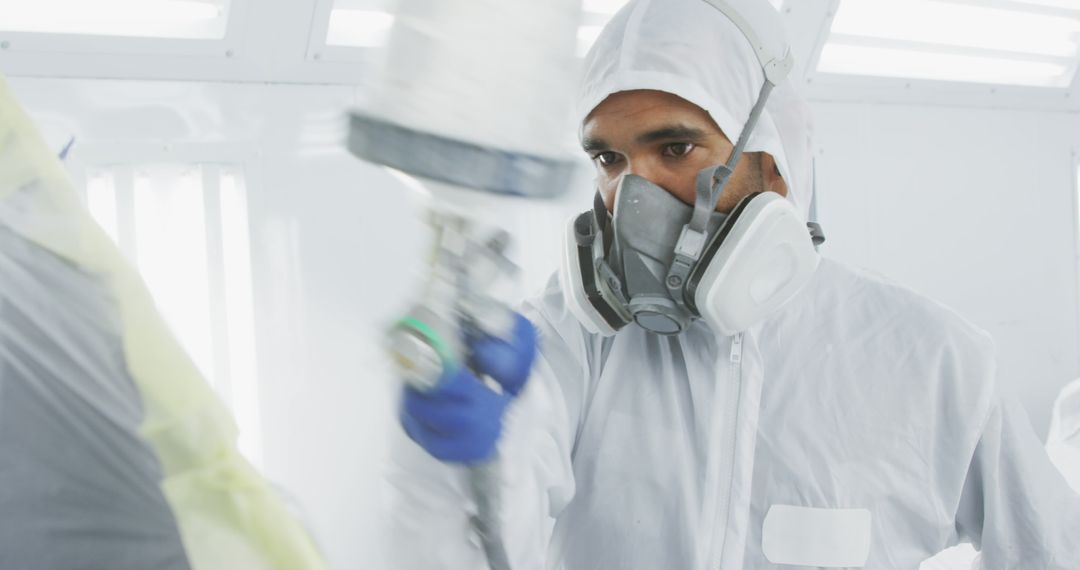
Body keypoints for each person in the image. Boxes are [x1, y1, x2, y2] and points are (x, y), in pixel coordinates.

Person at [387, 0, 1080, 567]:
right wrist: (458, 461)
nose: (630, 193)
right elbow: (488, 542)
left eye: (676, 148)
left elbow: (1050, 549)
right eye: (607, 157)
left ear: (774, 160)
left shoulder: (935, 362)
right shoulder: (573, 338)